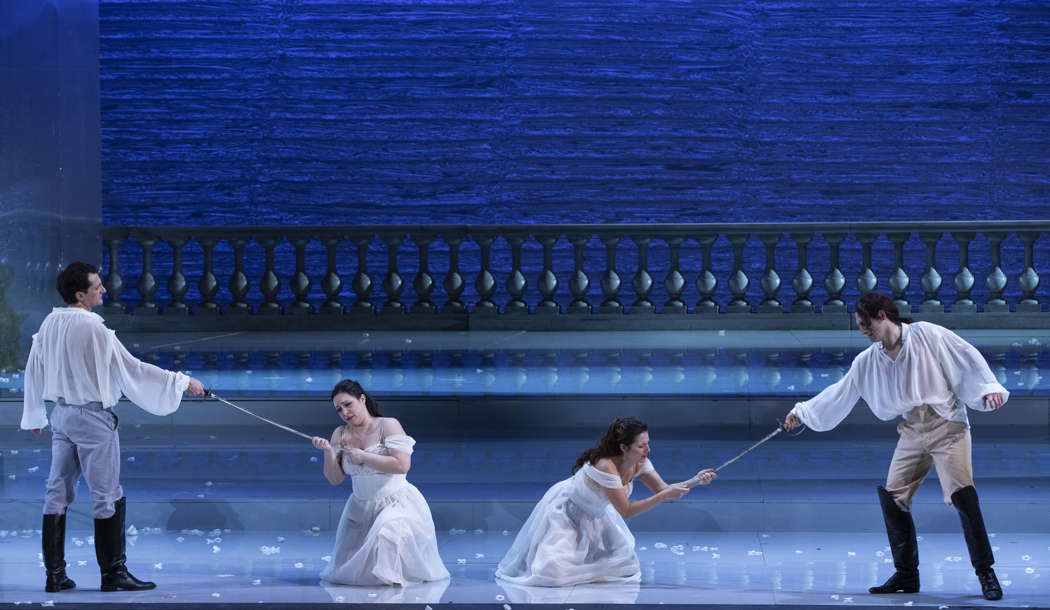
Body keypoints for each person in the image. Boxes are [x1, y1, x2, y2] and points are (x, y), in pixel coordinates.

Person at [785, 292, 1007, 600]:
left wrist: (988, 389)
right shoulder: (869, 359)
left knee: (962, 496)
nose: (863, 330)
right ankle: (906, 574)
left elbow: (965, 356)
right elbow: (842, 390)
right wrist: (802, 412)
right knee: (893, 497)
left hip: (947, 425)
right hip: (913, 429)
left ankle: (986, 573)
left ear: (882, 316)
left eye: (865, 324)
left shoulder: (926, 334)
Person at [20, 262, 206, 593]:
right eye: (97, 287)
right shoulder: (94, 328)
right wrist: (183, 382)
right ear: (81, 295)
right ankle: (113, 573)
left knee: (56, 492)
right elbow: (132, 369)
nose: (103, 290)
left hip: (61, 415)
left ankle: (55, 575)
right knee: (106, 494)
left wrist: (36, 415)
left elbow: (33, 368)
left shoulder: (49, 322)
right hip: (92, 418)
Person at [495, 417, 716, 587]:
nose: (648, 450)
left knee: (624, 565)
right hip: (569, 511)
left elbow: (663, 489)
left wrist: (696, 480)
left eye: (648, 444)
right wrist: (664, 496)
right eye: (641, 446)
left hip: (597, 513)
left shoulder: (640, 461)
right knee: (551, 573)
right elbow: (626, 510)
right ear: (623, 447)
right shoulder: (605, 466)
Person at [311, 379, 449, 585]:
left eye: (348, 404)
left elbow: (402, 465)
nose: (345, 413)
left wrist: (364, 457)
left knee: (389, 531)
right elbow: (335, 479)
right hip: (360, 506)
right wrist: (328, 452)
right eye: (339, 409)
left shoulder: (387, 425)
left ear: (362, 399)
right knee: (352, 571)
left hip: (396, 502)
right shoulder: (340, 433)